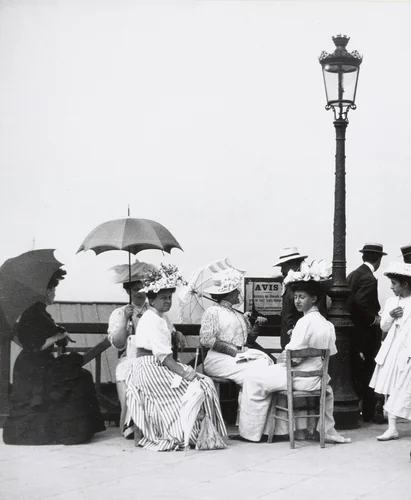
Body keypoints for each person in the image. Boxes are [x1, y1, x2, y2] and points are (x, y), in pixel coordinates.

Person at [237, 262, 351, 444]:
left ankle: (253, 432)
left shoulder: (303, 323)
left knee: (252, 378)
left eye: (302, 297)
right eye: (296, 297)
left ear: (313, 299)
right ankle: (278, 429)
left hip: (298, 379)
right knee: (262, 377)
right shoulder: (327, 325)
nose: (297, 301)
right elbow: (330, 354)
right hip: (317, 379)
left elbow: (292, 358)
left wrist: (287, 353)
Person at [125, 263, 227, 451]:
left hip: (156, 365)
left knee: (204, 383)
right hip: (150, 368)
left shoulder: (159, 317)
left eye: (169, 298)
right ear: (152, 300)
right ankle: (186, 433)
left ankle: (203, 431)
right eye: (163, 298)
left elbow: (167, 334)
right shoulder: (152, 319)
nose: (167, 302)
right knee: (201, 385)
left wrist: (175, 333)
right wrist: (186, 374)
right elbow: (165, 358)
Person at [3, 270, 105, 445]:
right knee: (79, 378)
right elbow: (34, 346)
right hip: (33, 368)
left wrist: (59, 333)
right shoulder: (32, 314)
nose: (55, 294)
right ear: (46, 292)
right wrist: (57, 336)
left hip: (41, 364)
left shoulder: (40, 312)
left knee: (80, 376)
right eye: (53, 290)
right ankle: (69, 433)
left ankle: (73, 431)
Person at [107, 260, 156, 438]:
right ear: (128, 291)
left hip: (152, 357)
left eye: (143, 289)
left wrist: (177, 333)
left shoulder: (154, 311)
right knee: (126, 374)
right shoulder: (120, 313)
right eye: (135, 289)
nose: (140, 293)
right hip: (130, 357)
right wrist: (124, 321)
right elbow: (118, 343)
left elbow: (166, 331)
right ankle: (131, 424)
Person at [367, 262, 411, 441]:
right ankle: (392, 428)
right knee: (391, 387)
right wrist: (391, 315)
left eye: (394, 283)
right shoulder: (391, 301)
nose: (391, 287)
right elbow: (383, 325)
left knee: (405, 387)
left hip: (408, 349)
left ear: (405, 284)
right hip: (393, 349)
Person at [347, 242, 386, 423]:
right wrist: (373, 320)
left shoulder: (353, 274)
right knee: (370, 371)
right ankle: (369, 413)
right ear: (378, 260)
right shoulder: (369, 278)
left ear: (364, 257)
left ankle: (358, 409)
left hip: (352, 332)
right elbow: (361, 304)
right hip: (366, 334)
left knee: (356, 371)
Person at [273, 247, 308, 350]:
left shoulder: (297, 285)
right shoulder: (294, 283)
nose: (281, 270)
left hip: (295, 339)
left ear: (292, 264)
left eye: (283, 266)